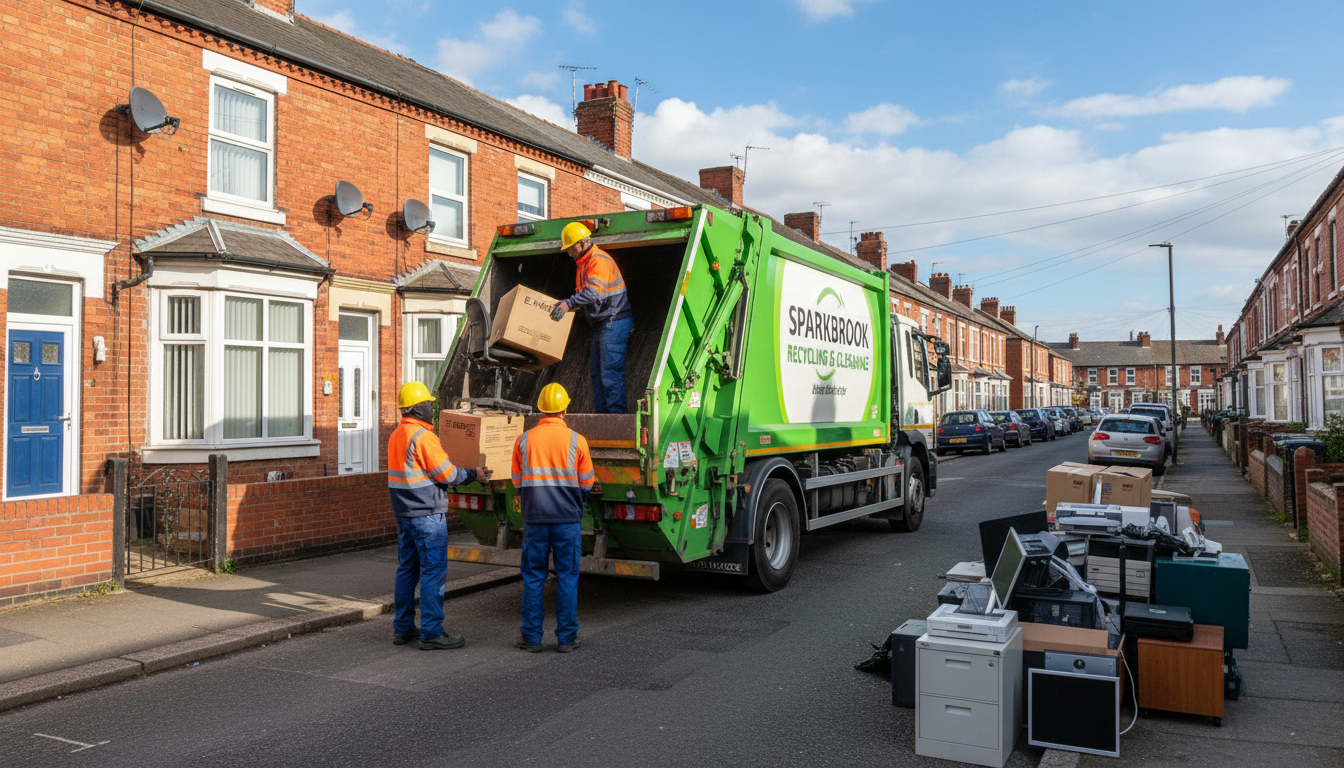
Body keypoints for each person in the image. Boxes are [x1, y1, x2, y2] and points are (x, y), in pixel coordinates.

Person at [388, 381, 490, 650]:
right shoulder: (423, 437)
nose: (431, 408)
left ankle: (403, 628)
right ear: (416, 408)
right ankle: (432, 632)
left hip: (405, 514)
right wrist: (473, 474)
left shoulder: (397, 435)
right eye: (428, 404)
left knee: (407, 571)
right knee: (433, 573)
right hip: (427, 516)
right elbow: (447, 474)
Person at [511, 383, 595, 653]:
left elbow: (516, 482)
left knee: (534, 578)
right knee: (567, 578)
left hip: (535, 520)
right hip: (567, 521)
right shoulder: (576, 440)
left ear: (540, 410)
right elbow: (587, 484)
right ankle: (567, 639)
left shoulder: (524, 440)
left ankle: (532, 638)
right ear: (565, 409)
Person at [550, 221, 632, 414]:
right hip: (605, 324)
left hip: (614, 321)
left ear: (583, 243)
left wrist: (568, 304)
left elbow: (593, 293)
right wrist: (568, 303)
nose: (569, 253)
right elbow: (588, 296)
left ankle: (615, 418)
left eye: (571, 248)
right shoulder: (584, 263)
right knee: (597, 374)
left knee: (610, 373)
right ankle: (603, 417)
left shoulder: (597, 261)